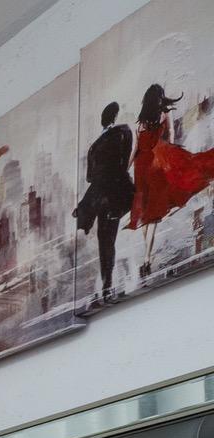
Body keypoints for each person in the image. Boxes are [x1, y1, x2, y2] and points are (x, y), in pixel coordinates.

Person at [130, 83, 214, 277]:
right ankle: (147, 259)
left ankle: (147, 256)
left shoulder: (139, 123)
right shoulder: (163, 115)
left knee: (145, 213)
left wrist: (126, 169)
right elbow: (171, 137)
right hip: (157, 163)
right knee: (153, 215)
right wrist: (170, 156)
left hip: (141, 168)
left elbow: (134, 151)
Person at [74, 100, 134, 307]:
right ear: (115, 116)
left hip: (101, 197)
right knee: (109, 240)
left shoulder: (95, 146)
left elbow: (90, 177)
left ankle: (108, 283)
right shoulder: (124, 133)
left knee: (104, 241)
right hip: (116, 194)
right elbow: (124, 164)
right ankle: (108, 284)